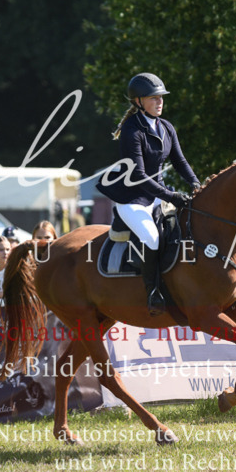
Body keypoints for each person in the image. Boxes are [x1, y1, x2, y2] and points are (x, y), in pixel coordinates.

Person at [96, 72, 202, 316]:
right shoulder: (132, 131)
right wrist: (170, 196)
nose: (160, 102)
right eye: (154, 98)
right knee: (152, 238)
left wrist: (196, 183)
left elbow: (180, 161)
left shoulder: (166, 127)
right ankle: (153, 292)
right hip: (132, 198)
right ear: (138, 101)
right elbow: (140, 176)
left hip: (157, 194)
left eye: (161, 97)